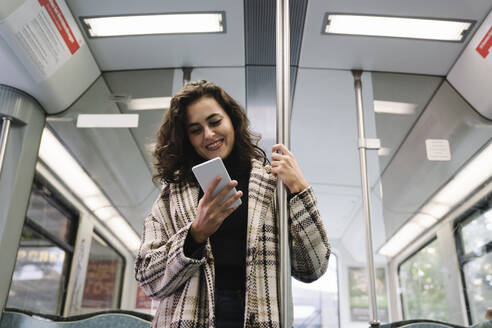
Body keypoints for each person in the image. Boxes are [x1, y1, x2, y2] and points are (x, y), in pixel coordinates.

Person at [134, 80, 330, 328]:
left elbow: (313, 267)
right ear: (187, 138)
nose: (208, 135)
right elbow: (147, 278)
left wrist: (300, 191)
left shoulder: (273, 186)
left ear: (232, 121)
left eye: (215, 122)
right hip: (187, 317)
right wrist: (194, 235)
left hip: (259, 314)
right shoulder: (171, 196)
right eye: (195, 130)